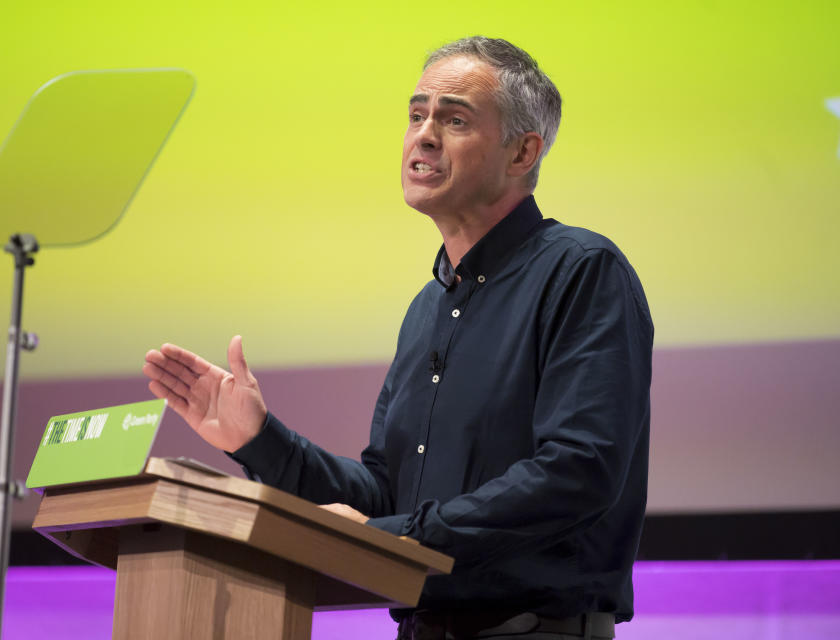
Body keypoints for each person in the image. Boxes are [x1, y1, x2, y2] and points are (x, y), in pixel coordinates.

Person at [143, 36, 653, 640]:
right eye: (417, 115)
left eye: (454, 119)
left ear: (523, 152)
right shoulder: (427, 308)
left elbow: (577, 472)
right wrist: (258, 440)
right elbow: (385, 494)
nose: (424, 135)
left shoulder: (581, 270)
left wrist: (401, 539)